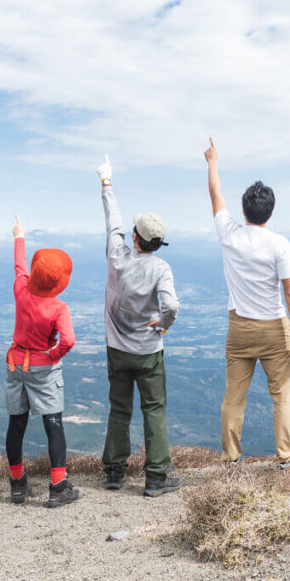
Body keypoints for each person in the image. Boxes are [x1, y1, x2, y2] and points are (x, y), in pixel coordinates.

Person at [204, 138, 290, 468]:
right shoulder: (279, 244)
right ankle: (285, 457)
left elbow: (215, 195)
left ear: (244, 210)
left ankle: (232, 458)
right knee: (283, 395)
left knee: (233, 398)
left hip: (239, 328)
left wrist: (212, 161)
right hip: (275, 329)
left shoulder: (229, 233)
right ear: (271, 212)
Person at [95, 156, 182, 497]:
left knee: (119, 408)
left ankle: (115, 472)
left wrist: (106, 181)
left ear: (134, 237)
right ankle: (156, 477)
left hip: (117, 348)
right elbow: (171, 305)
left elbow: (111, 219)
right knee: (154, 410)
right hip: (148, 350)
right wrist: (164, 323)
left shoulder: (116, 256)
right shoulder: (161, 269)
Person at [5, 215, 81, 507]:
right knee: (53, 424)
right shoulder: (58, 307)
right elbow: (69, 340)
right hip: (43, 369)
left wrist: (19, 236)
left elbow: (20, 266)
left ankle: (17, 485)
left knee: (16, 424)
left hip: (15, 366)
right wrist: (53, 354)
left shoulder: (21, 292)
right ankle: (58, 487)